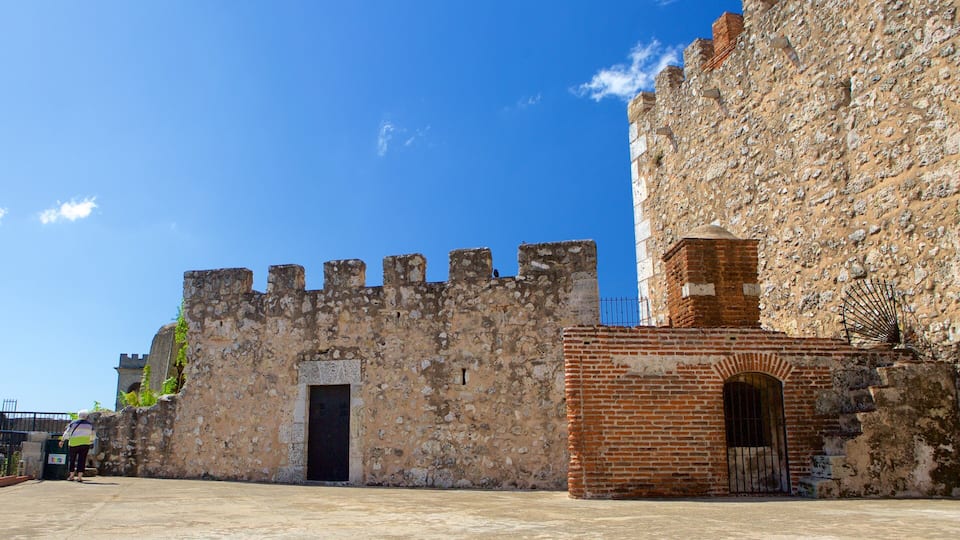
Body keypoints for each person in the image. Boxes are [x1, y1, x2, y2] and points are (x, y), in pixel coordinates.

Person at [60, 410, 96, 482]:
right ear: (86, 416)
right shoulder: (89, 425)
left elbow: (67, 433)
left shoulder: (73, 423)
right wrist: (91, 441)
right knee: (82, 460)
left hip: (73, 443)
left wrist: (62, 440)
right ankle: (79, 477)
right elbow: (93, 435)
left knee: (72, 460)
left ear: (78, 415)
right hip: (85, 444)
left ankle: (71, 475)